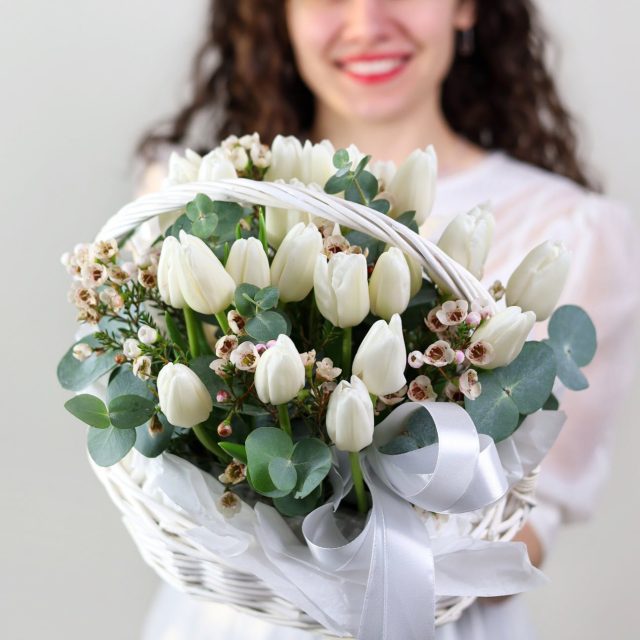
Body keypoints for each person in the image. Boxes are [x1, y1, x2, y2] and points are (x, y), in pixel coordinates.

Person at [137, 1, 640, 638]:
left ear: (465, 7)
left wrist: (356, 578)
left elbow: (529, 529)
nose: (366, 23)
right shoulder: (198, 198)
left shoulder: (574, 231)